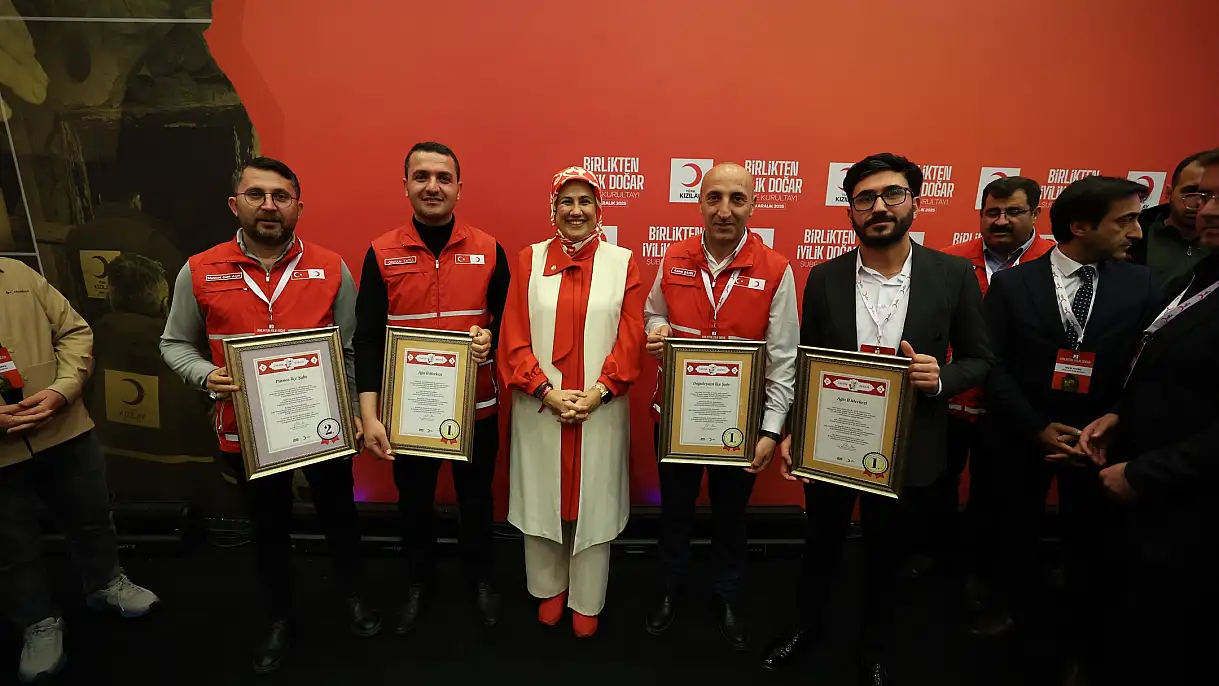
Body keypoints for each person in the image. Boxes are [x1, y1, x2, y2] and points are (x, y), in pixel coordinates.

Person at [762, 153, 991, 684]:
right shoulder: (824, 277)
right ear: (850, 210)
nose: (879, 207)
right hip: (833, 439)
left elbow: (981, 358)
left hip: (910, 443)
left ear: (914, 202)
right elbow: (807, 360)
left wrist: (942, 376)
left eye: (892, 194)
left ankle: (874, 646)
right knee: (822, 541)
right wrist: (795, 430)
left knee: (888, 553)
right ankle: (807, 625)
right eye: (865, 198)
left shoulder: (953, 274)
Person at [160, 157, 379, 674]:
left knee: (340, 517)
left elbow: (351, 349)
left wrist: (352, 408)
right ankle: (280, 615)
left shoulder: (332, 267)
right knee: (268, 528)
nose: (269, 205)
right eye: (256, 194)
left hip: (323, 428)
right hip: (249, 433)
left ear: (298, 207)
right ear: (234, 204)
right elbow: (174, 344)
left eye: (281, 196)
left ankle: (353, 595)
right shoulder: (199, 269)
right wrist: (204, 375)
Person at [984, 175, 1160, 682]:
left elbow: (1149, 367)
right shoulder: (1012, 284)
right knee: (1014, 534)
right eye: (1125, 221)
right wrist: (1036, 427)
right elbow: (991, 364)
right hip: (1023, 437)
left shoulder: (1144, 285)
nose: (1137, 232)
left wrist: (1112, 424)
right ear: (1081, 226)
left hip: (1100, 443)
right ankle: (1018, 621)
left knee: (1091, 547)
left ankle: (1080, 641)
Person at [355, 141, 510, 632]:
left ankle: (480, 580)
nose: (432, 186)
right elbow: (367, 337)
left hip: (476, 408)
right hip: (409, 414)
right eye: (421, 176)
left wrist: (491, 338)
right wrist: (369, 416)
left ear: (459, 188)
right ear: (405, 186)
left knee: (476, 501)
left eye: (443, 177)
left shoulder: (489, 249)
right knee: (414, 504)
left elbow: (514, 326)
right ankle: (418, 582)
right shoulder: (381, 252)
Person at [643, 162, 798, 651]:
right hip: (678, 419)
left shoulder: (775, 269)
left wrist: (771, 430)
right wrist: (657, 330)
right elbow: (653, 312)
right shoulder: (673, 258)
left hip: (741, 425)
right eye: (714, 198)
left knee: (731, 517)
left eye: (737, 198)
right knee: (675, 511)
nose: (724, 210)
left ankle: (727, 595)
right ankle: (668, 588)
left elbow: (783, 359)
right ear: (700, 203)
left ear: (753, 204)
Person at [1079, 148, 1219, 685]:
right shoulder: (1202, 273)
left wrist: (1145, 473)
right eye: (1201, 194)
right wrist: (1121, 415)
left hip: (1188, 507)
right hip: (1155, 501)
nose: (1205, 209)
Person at [498, 167, 643, 638]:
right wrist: (546, 390)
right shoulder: (529, 259)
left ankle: (587, 595)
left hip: (601, 405)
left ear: (599, 209)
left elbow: (631, 336)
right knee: (545, 495)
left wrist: (599, 392)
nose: (575, 210)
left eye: (585, 201)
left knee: (593, 498)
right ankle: (548, 587)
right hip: (542, 404)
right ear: (553, 208)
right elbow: (513, 334)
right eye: (566, 201)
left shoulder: (623, 263)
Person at [0, 257, 159, 683]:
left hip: (64, 426)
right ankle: (37, 622)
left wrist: (62, 390)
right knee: (11, 544)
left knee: (91, 515)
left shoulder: (18, 274)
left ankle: (106, 583)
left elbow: (74, 332)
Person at [939, 176, 1054, 632]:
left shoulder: (1053, 263)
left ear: (1036, 214)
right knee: (937, 486)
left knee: (1000, 497)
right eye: (992, 212)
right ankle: (939, 562)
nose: (1001, 221)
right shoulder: (952, 261)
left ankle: (987, 578)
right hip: (951, 401)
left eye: (1014, 212)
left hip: (1014, 408)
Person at [1130, 150, 1211, 285]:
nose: (1199, 202)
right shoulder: (1132, 235)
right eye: (1190, 192)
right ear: (1169, 193)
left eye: (1209, 194)